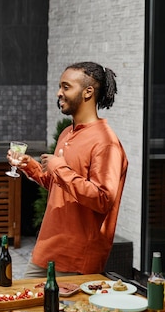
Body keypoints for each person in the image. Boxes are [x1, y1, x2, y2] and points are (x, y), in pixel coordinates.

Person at [10, 62, 128, 278]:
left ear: (87, 92)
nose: (59, 93)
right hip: (46, 249)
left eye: (66, 87)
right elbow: (55, 183)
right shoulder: (67, 133)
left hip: (76, 260)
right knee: (24, 306)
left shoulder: (105, 142)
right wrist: (29, 165)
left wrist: (60, 169)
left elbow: (103, 199)